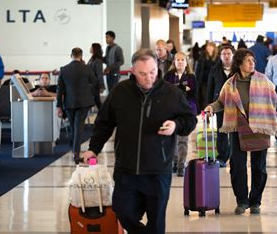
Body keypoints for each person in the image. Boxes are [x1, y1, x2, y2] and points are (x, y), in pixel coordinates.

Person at [82, 48, 197, 234]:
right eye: (143, 74)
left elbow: (190, 120)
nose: (149, 78)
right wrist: (93, 149)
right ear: (133, 71)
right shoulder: (120, 92)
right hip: (126, 169)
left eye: (152, 72)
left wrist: (175, 126)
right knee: (122, 211)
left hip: (158, 170)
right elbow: (104, 123)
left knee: (156, 221)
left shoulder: (171, 93)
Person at [205, 49, 277, 215]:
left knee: (259, 167)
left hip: (259, 127)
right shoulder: (230, 83)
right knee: (237, 166)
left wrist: (265, 113)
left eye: (253, 60)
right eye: (248, 60)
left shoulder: (263, 80)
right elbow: (221, 102)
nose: (252, 63)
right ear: (239, 64)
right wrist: (211, 107)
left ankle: (255, 201)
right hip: (237, 127)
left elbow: (274, 97)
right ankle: (242, 201)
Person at [56, 47, 97, 164]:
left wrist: (59, 106)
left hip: (69, 102)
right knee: (78, 127)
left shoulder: (64, 70)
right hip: (84, 102)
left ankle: (74, 149)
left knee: (74, 127)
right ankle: (75, 153)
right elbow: (94, 82)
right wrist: (86, 89)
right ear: (81, 56)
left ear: (71, 55)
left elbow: (60, 90)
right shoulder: (86, 68)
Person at [164, 52, 198, 177]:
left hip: (186, 111)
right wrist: (184, 89)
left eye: (182, 60)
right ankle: (173, 163)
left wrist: (177, 89)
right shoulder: (168, 75)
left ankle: (181, 165)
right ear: (174, 62)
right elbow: (166, 92)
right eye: (177, 60)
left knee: (183, 139)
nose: (180, 62)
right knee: (172, 139)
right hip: (171, 111)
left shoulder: (191, 77)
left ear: (186, 62)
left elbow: (193, 94)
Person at [206, 44, 235, 167]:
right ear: (220, 56)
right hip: (220, 104)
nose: (226, 56)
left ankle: (234, 156)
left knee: (234, 132)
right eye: (224, 54)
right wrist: (209, 106)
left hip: (235, 105)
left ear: (233, 55)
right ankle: (222, 157)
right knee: (221, 131)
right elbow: (210, 88)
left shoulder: (238, 69)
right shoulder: (214, 69)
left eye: (229, 53)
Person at [196, 41, 218, 112]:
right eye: (208, 46)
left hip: (214, 81)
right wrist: (197, 79)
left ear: (214, 48)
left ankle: (211, 112)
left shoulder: (217, 58)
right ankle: (205, 113)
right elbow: (198, 69)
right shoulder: (202, 56)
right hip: (204, 81)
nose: (208, 48)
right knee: (205, 97)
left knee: (213, 97)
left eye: (210, 46)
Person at [88, 43, 105, 108]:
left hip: (95, 84)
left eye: (91, 47)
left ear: (94, 49)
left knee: (97, 100)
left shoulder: (97, 60)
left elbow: (99, 74)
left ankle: (103, 114)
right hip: (91, 83)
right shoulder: (92, 59)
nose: (90, 48)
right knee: (95, 100)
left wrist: (101, 86)